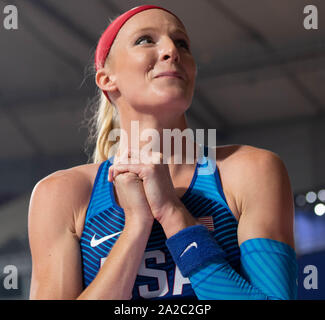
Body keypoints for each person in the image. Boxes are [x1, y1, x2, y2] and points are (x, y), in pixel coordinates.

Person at [28, 5, 298, 300]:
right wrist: (136, 225)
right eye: (145, 40)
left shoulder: (250, 170)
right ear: (107, 79)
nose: (172, 50)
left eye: (181, 43)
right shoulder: (62, 195)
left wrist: (171, 212)